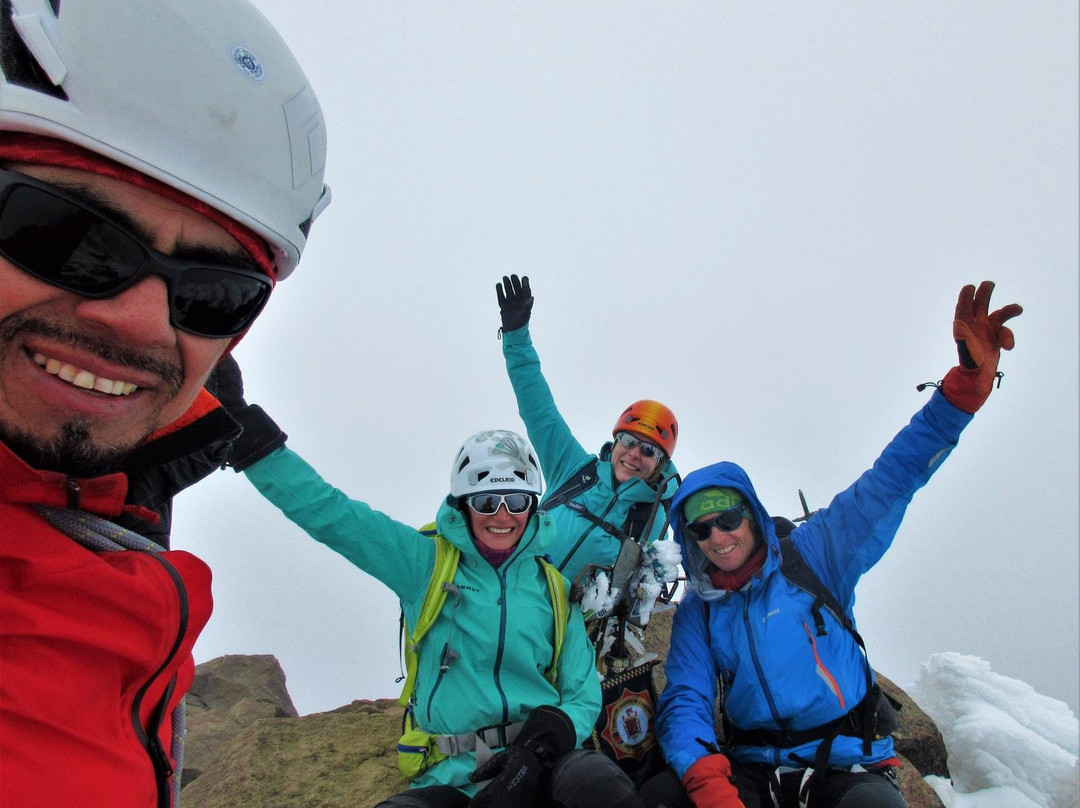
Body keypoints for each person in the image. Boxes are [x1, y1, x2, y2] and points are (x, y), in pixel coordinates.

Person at [0, 2, 330, 806]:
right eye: (68, 235)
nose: (144, 321)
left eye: (213, 293)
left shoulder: (123, 529)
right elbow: (343, 521)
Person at [641, 282, 1023, 808]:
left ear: (751, 514)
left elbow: (891, 479)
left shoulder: (814, 553)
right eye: (699, 531)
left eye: (725, 518)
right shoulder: (699, 611)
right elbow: (686, 698)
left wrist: (960, 394)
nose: (716, 537)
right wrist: (707, 780)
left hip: (847, 763)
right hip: (754, 769)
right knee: (661, 797)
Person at [209, 370, 644, 808]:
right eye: (485, 501)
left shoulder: (552, 589)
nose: (502, 515)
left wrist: (547, 741)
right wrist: (251, 442)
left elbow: (582, 691)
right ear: (462, 503)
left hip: (545, 766)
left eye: (516, 501)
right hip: (453, 775)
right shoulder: (424, 564)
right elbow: (332, 515)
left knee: (599, 787)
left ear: (533, 505)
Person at [495, 274, 682, 606]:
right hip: (510, 598)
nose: (635, 453)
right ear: (615, 441)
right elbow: (538, 409)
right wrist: (516, 336)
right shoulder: (575, 469)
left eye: (650, 449)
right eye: (628, 439)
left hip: (571, 627)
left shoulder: (656, 518)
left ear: (661, 464)